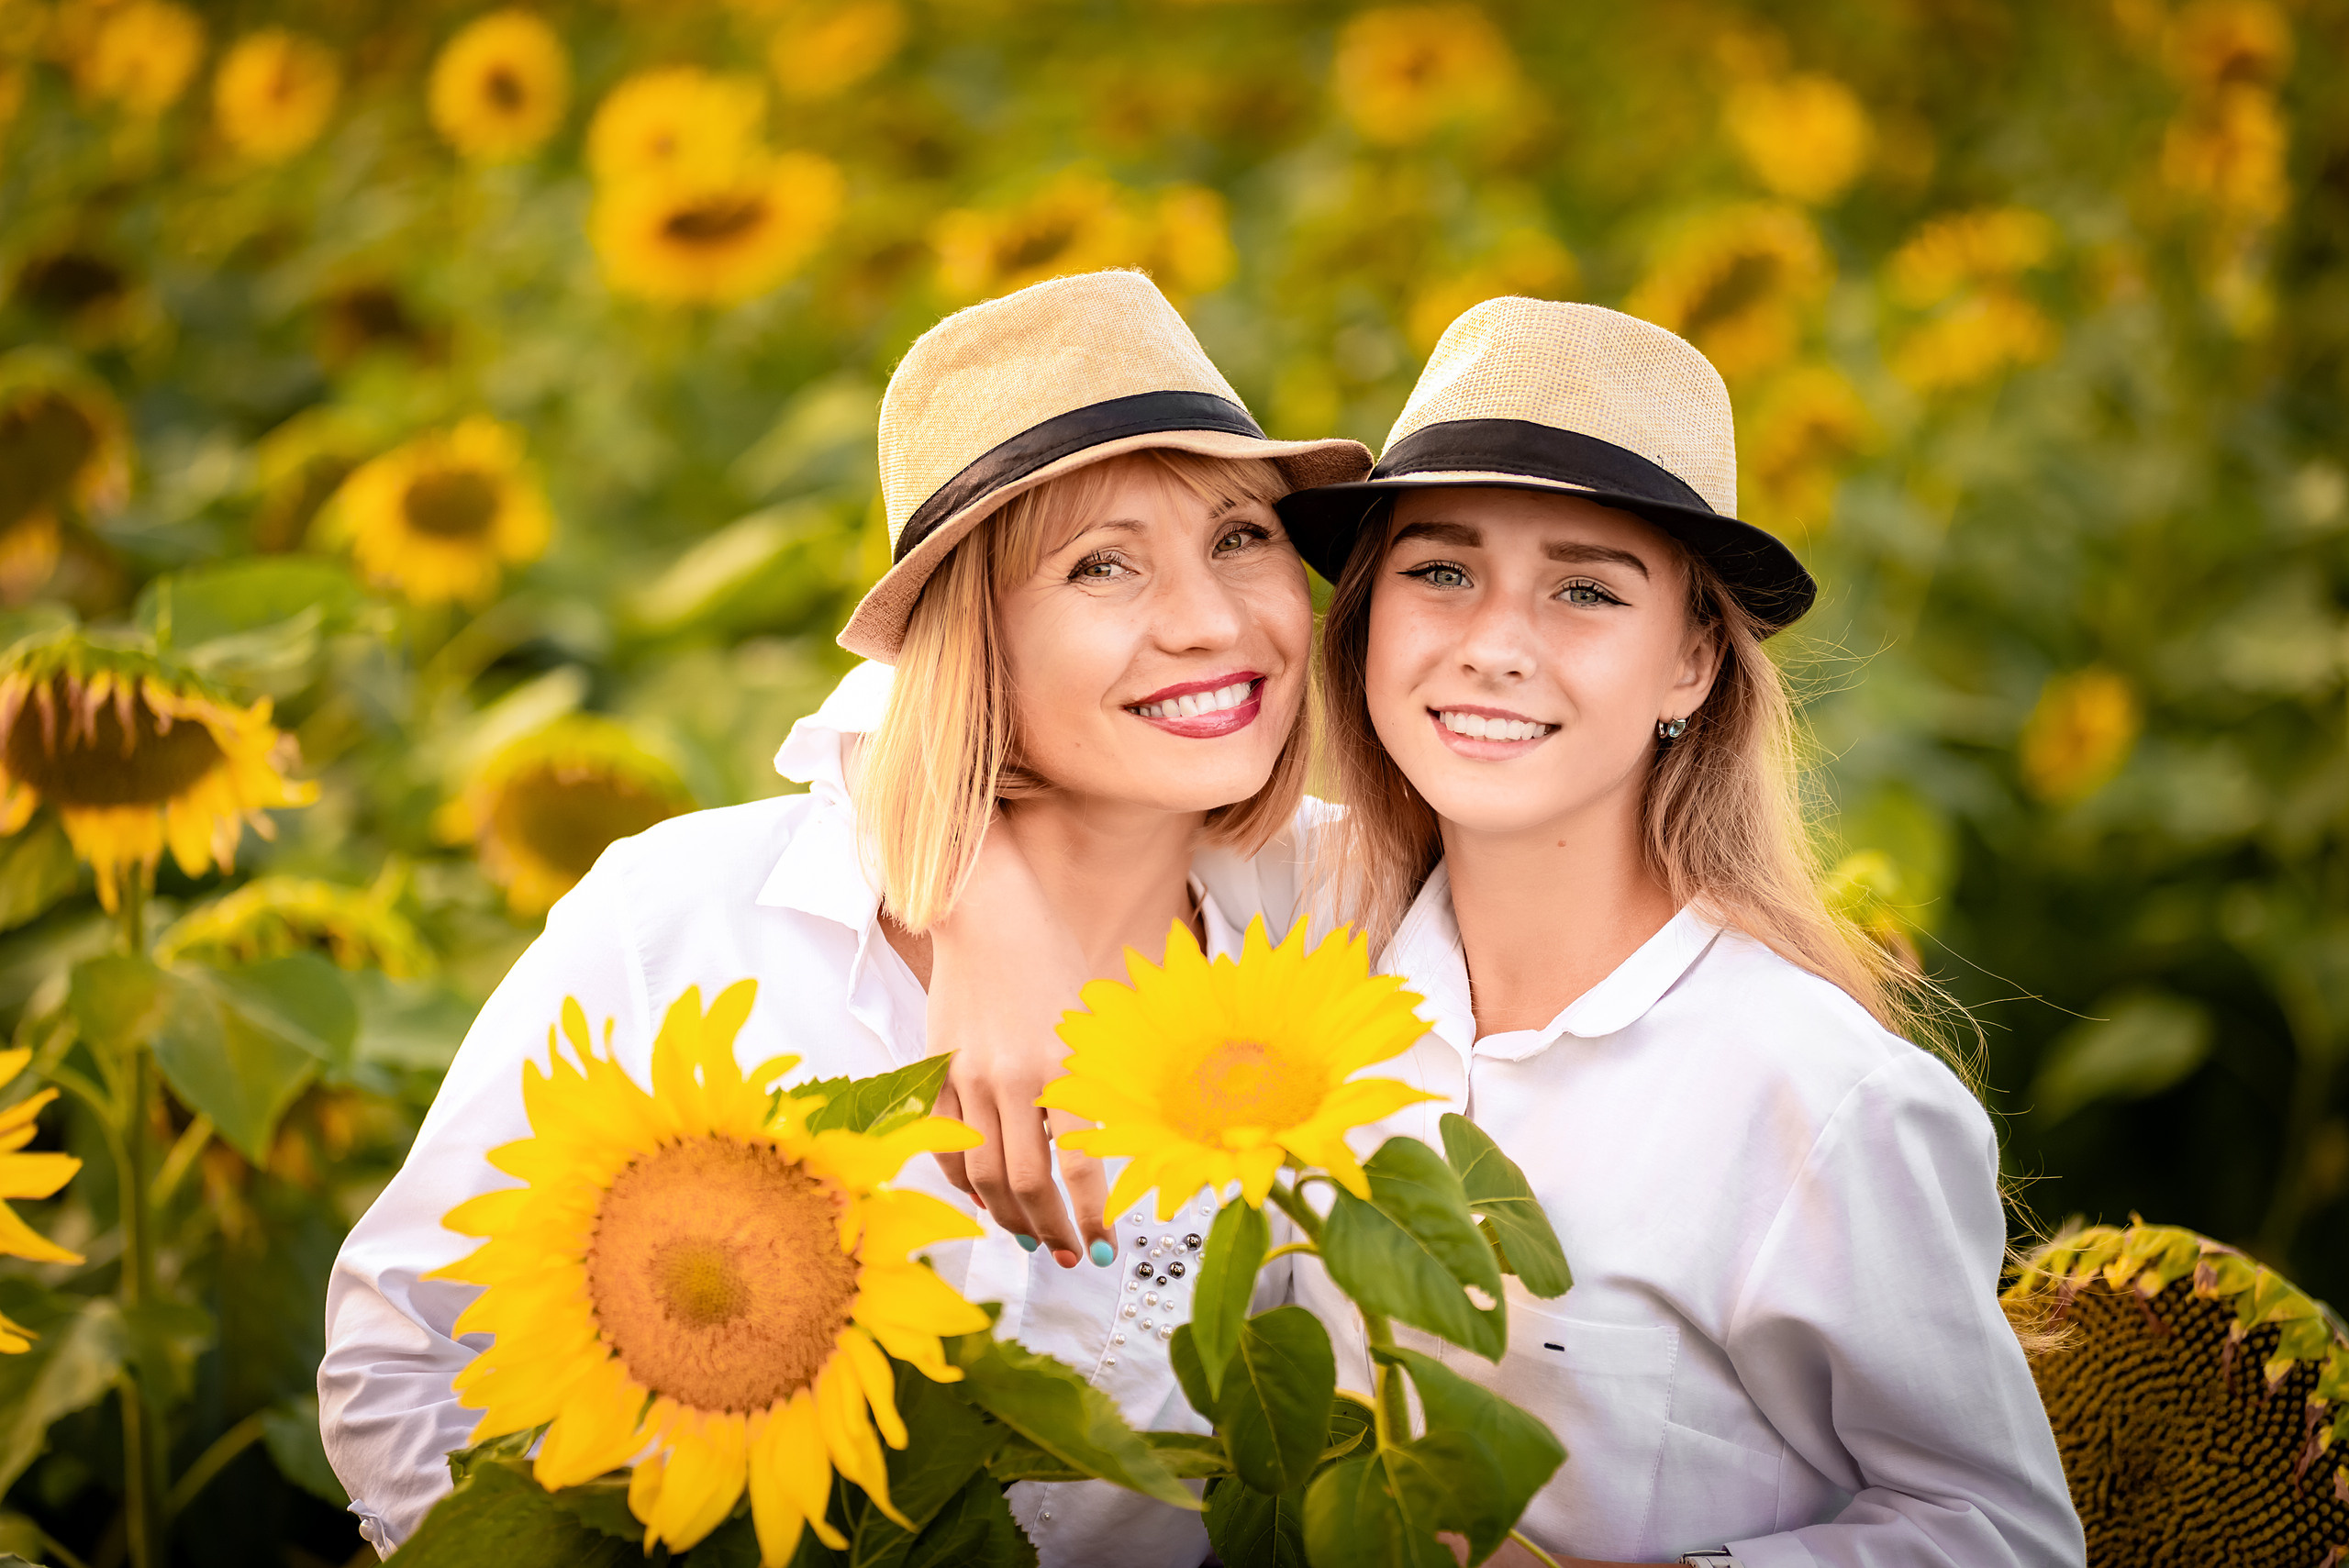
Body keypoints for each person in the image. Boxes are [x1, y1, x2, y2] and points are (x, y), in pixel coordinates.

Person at [941, 299, 2087, 1567]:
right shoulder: (1307, 926)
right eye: (1440, 571)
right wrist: (986, 922)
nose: (1494, 645)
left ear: (1693, 661)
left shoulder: (1815, 1092)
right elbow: (927, 688)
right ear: (1368, 617)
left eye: (1586, 590)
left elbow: (2004, 1533)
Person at [315, 269, 1368, 1566]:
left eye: (1242, 536)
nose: (1212, 622)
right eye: (1102, 564)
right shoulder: (695, 921)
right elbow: (403, 1354)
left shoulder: (1348, 912)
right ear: (968, 637)